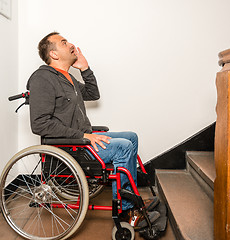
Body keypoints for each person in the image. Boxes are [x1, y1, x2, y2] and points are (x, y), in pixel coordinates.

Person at [26, 32, 159, 229]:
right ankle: (127, 210)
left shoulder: (67, 77)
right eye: (64, 42)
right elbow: (39, 124)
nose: (70, 43)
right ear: (53, 54)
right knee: (122, 147)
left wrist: (85, 68)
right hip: (71, 147)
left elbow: (92, 93)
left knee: (131, 137)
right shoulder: (42, 79)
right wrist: (83, 136)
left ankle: (131, 197)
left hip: (83, 139)